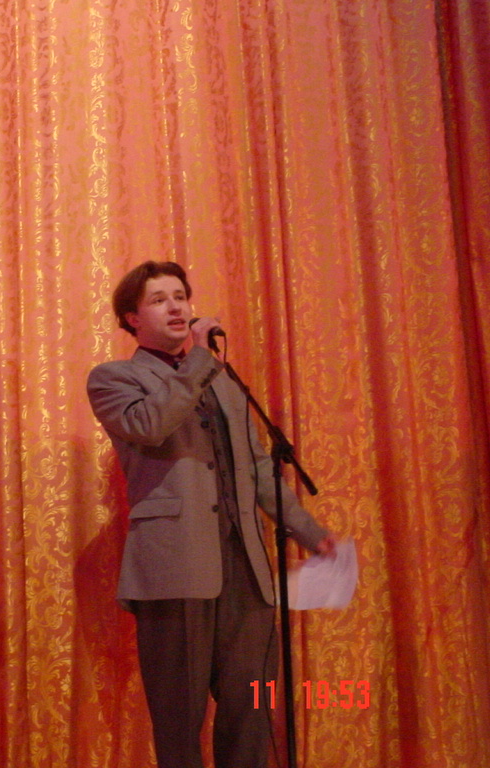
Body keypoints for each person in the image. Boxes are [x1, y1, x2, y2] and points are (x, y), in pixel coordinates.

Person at [86, 261, 335, 768]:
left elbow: (258, 468)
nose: (176, 307)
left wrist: (310, 534)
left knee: (253, 710)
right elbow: (150, 425)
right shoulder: (115, 378)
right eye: (159, 300)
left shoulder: (224, 383)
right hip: (174, 569)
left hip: (245, 568)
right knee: (178, 719)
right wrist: (199, 361)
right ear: (132, 318)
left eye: (180, 296)